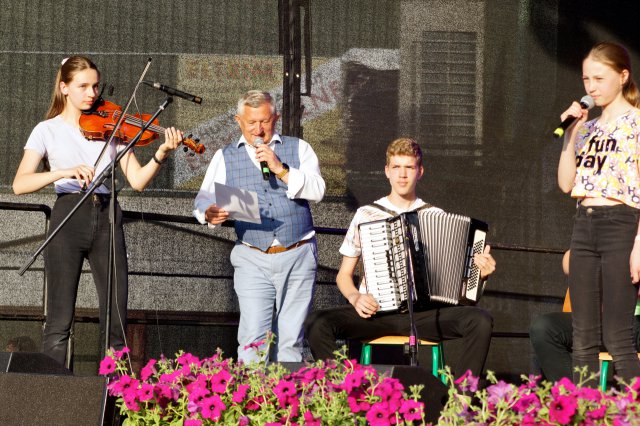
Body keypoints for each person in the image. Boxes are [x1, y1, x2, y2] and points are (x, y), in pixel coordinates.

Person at [12, 56, 184, 367]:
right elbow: (20, 184)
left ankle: (114, 401)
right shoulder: (46, 130)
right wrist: (61, 171)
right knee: (59, 320)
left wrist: (160, 153)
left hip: (107, 216)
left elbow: (137, 180)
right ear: (64, 88)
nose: (92, 93)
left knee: (116, 319)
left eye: (94, 85)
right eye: (83, 86)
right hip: (68, 215)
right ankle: (52, 397)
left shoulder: (113, 124)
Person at [303, 138, 495, 378]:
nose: (402, 175)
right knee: (317, 322)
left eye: (409, 167)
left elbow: (462, 292)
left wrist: (481, 275)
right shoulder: (365, 214)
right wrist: (355, 297)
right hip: (376, 314)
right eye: (396, 167)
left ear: (420, 172)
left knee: (480, 320)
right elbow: (344, 275)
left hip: (425, 315)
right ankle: (345, 393)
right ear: (387, 171)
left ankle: (460, 401)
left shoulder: (436, 216)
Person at [193, 90, 325, 363]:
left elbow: (318, 189)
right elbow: (203, 200)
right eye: (251, 122)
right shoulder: (225, 156)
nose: (258, 129)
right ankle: (253, 402)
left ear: (275, 118)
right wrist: (209, 213)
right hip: (252, 254)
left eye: (264, 121)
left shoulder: (298, 148)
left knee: (291, 341)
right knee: (253, 340)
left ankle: (289, 402)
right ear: (238, 120)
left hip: (297, 251)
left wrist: (281, 169)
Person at [557, 41, 640, 384]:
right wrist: (571, 134)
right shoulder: (588, 128)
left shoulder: (636, 123)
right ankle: (586, 414)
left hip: (621, 224)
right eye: (586, 79)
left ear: (623, 76)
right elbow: (566, 184)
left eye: (599, 78)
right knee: (583, 337)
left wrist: (639, 244)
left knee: (618, 336)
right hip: (584, 224)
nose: (591, 87)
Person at [530, 251, 640, 382]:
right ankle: (576, 399)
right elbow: (568, 262)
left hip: (634, 321)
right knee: (545, 328)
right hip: (603, 322)